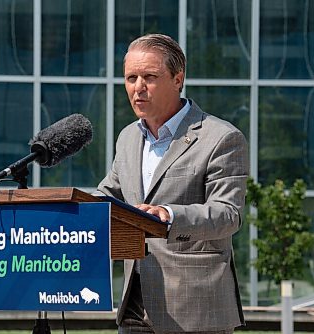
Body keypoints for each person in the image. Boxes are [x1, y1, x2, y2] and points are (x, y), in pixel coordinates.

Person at [97, 34, 249, 333]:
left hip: (195, 308)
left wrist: (170, 215)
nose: (138, 87)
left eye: (149, 77)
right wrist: (69, 210)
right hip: (135, 304)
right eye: (130, 78)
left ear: (178, 79)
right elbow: (110, 194)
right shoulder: (128, 137)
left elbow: (228, 214)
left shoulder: (221, 137)